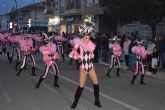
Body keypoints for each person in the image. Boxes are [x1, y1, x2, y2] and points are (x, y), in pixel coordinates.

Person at [69, 34, 102, 109]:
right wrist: (76, 54)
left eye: (89, 38)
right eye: (86, 38)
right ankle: (75, 102)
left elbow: (92, 56)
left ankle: (97, 101)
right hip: (83, 67)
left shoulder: (91, 45)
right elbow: (73, 54)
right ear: (82, 39)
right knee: (81, 86)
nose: (88, 39)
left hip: (90, 66)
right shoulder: (79, 46)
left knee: (96, 84)